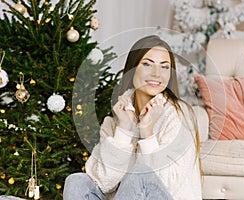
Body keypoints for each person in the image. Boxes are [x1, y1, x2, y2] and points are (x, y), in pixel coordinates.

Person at [63, 35, 202, 200]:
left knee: (139, 173)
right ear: (132, 68)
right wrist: (123, 131)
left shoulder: (179, 115)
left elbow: (167, 183)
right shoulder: (115, 120)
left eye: (165, 67)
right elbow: (102, 182)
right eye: (147, 64)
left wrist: (148, 133)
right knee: (77, 181)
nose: (157, 74)